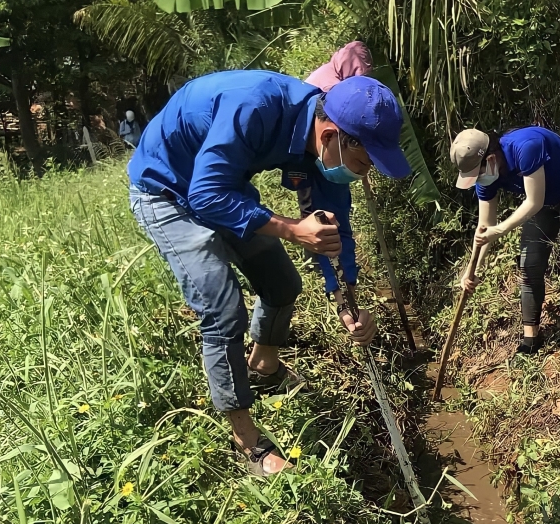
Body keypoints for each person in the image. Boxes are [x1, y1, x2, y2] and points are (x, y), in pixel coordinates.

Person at [127, 71, 410, 475]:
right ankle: (247, 441)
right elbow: (204, 195)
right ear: (331, 136)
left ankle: (264, 366)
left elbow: (334, 229)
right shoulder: (254, 107)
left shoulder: (318, 136)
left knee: (281, 283)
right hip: (168, 190)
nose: (363, 173)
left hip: (222, 185)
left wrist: (347, 301)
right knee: (224, 310)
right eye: (364, 162)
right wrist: (292, 229)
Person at [449, 125, 560, 354]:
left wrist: (501, 229)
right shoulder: (487, 178)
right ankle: (531, 339)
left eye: (477, 173)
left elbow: (533, 202)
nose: (478, 179)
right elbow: (484, 227)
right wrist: (472, 271)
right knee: (530, 264)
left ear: (491, 158)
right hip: (544, 200)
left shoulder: (526, 147)